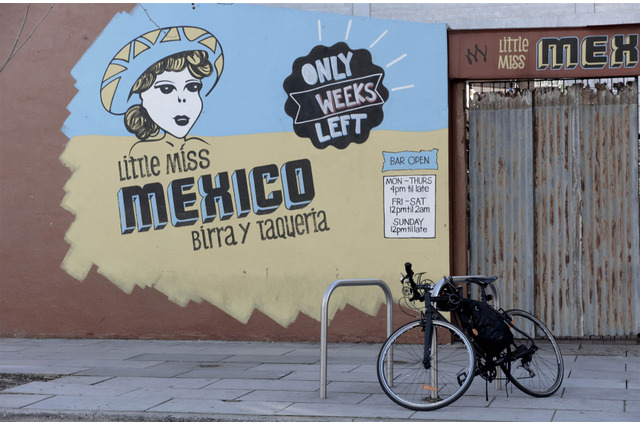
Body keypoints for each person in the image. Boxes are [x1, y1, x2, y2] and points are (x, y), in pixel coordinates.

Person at [100, 26, 224, 155]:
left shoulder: (202, 147)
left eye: (192, 87)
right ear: (142, 96)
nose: (182, 99)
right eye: (166, 89)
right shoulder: (141, 154)